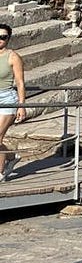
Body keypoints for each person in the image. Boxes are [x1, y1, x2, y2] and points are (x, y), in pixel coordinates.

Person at [0, 24, 26, 180]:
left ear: (8, 39)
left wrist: (21, 106)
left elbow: (20, 82)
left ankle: (1, 172)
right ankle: (11, 156)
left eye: (3, 37)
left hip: (7, 98)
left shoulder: (13, 56)